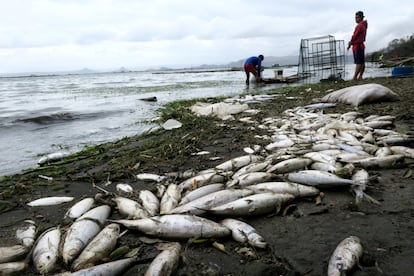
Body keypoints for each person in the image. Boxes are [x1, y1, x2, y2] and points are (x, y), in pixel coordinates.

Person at [348, 11, 368, 80]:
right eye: (355, 17)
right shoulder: (364, 25)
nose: (355, 19)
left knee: (359, 62)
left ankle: (355, 77)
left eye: (357, 18)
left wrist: (350, 42)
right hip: (361, 45)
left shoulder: (359, 26)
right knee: (362, 62)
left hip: (358, 46)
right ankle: (360, 76)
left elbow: (354, 36)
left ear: (360, 18)